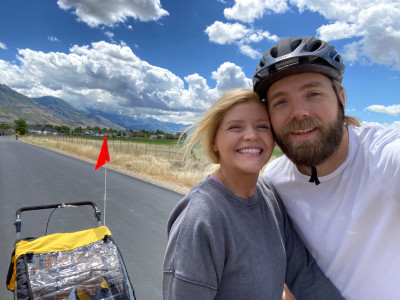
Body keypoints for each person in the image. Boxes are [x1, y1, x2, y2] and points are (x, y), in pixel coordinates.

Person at [253, 36, 400, 300]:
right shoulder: (274, 182)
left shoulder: (383, 156)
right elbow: (290, 271)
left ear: (341, 99)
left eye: (313, 93)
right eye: (280, 101)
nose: (299, 112)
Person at [162, 88, 343, 299]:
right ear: (214, 141)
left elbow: (302, 272)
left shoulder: (269, 195)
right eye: (235, 126)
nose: (251, 136)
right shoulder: (201, 217)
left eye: (262, 126)